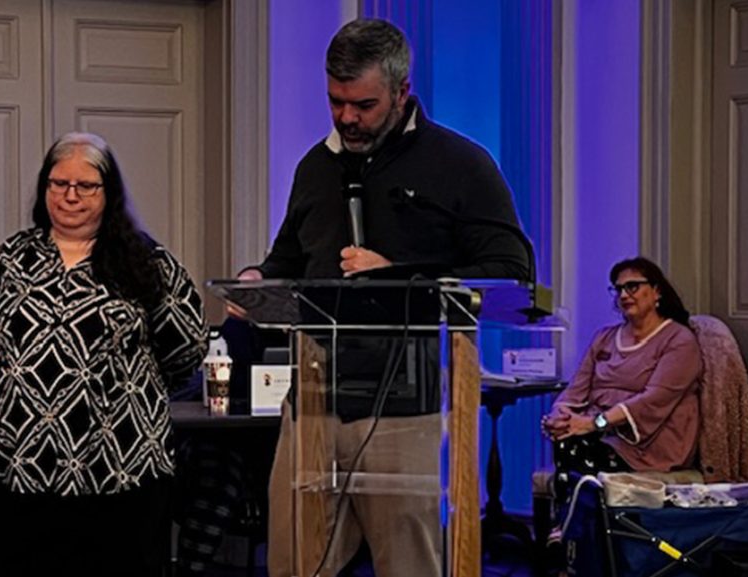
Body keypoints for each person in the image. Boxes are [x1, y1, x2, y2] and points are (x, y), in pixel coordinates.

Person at [234, 19, 529, 577]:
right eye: (335, 102)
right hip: (314, 401)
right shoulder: (314, 167)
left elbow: (511, 278)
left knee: (410, 566)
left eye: (364, 105)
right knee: (292, 562)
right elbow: (290, 260)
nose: (347, 118)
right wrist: (257, 280)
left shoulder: (461, 164)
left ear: (401, 92)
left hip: (410, 407)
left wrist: (399, 277)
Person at [0, 132, 208, 576]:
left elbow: (185, 350)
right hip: (17, 470)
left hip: (120, 472)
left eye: (85, 186)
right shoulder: (10, 260)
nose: (70, 196)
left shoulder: (149, 263)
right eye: (59, 183)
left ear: (109, 192)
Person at [542, 257, 702, 489]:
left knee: (574, 448)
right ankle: (579, 508)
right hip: (600, 434)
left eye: (632, 287)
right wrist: (559, 417)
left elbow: (654, 400)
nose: (624, 295)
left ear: (657, 291)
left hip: (650, 444)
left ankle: (578, 508)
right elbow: (575, 391)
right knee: (567, 438)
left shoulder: (679, 340)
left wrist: (594, 423)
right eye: (618, 290)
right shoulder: (604, 337)